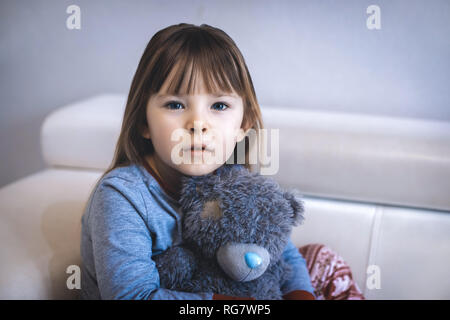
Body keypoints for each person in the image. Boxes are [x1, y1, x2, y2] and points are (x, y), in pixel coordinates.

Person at [80, 23, 364, 300]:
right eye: (175, 105)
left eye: (219, 106)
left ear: (244, 123)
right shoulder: (123, 196)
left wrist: (300, 294)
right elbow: (132, 295)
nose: (198, 124)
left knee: (321, 259)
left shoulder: (232, 180)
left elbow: (283, 253)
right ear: (144, 121)